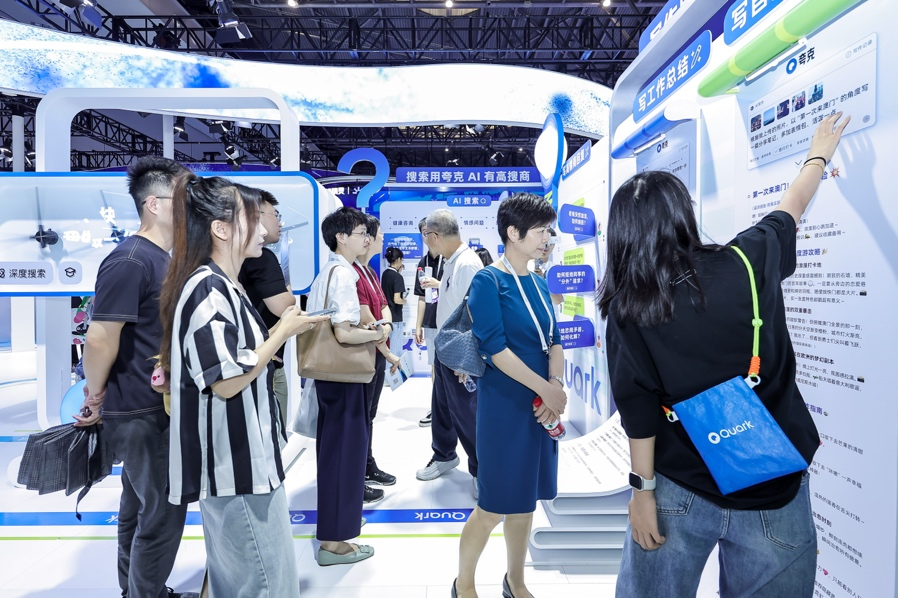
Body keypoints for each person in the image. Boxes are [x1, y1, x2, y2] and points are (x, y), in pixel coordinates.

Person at [600, 113, 850, 597]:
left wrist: (641, 492)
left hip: (680, 485)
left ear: (623, 234)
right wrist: (818, 155)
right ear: (684, 215)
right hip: (773, 483)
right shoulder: (749, 259)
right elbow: (791, 206)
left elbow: (638, 407)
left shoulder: (630, 307)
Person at [159, 175, 327, 597]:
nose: (265, 228)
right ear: (221, 228)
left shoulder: (222, 285)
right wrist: (282, 331)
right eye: (253, 217)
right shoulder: (207, 288)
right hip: (236, 470)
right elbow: (228, 380)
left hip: (247, 465)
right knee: (267, 585)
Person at [74, 156, 195, 598]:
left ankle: (139, 590)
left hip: (153, 405)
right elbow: (100, 337)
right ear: (154, 204)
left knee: (139, 507)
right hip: (140, 408)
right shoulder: (131, 259)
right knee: (162, 511)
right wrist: (96, 395)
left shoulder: (160, 259)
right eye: (183, 199)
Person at [453, 192, 566, 598]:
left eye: (549, 231)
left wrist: (556, 386)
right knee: (493, 504)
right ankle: (464, 583)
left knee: (525, 500)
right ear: (513, 233)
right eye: (540, 231)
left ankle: (515, 581)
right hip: (505, 406)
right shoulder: (488, 281)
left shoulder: (539, 281)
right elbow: (495, 349)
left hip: (540, 405)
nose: (547, 239)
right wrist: (545, 390)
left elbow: (554, 340)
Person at [305, 206, 383, 566]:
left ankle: (335, 526)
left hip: (330, 378)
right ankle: (334, 543)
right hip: (344, 376)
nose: (366, 239)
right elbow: (344, 333)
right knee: (344, 457)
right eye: (360, 233)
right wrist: (377, 333)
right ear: (341, 237)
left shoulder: (329, 271)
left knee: (335, 454)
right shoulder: (343, 275)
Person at [415, 209, 481, 496]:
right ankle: (444, 455)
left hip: (459, 351)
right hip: (444, 346)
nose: (425, 242)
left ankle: (481, 469)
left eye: (425, 236)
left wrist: (466, 358)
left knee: (466, 413)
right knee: (442, 407)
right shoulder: (451, 261)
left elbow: (476, 314)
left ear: (434, 236)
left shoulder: (467, 264)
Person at [237, 187, 295, 429]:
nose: (279, 223)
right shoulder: (262, 258)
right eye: (275, 215)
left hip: (252, 361)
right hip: (262, 362)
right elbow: (286, 308)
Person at [354, 214, 401, 500]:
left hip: (375, 352)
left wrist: (385, 329)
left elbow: (384, 309)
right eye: (379, 233)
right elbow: (366, 319)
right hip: (361, 355)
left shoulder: (371, 272)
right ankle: (357, 473)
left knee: (369, 415)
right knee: (360, 417)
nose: (383, 238)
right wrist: (385, 342)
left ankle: (367, 466)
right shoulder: (351, 272)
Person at [413, 216, 445, 427]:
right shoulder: (422, 264)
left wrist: (438, 284)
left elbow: (459, 288)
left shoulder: (450, 259)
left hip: (451, 321)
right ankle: (438, 407)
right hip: (432, 322)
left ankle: (453, 407)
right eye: (424, 233)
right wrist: (418, 326)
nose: (428, 236)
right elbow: (421, 297)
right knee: (434, 366)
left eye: (431, 231)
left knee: (453, 366)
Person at [381, 246, 407, 357]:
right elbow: (397, 299)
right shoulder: (398, 277)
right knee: (395, 351)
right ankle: (394, 369)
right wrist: (404, 301)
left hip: (386, 317)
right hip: (395, 317)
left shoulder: (385, 274)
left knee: (388, 349)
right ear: (398, 259)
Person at [532, 227, 563, 306]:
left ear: (554, 245)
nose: (546, 246)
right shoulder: (523, 265)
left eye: (550, 243)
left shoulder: (554, 270)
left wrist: (543, 281)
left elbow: (558, 300)